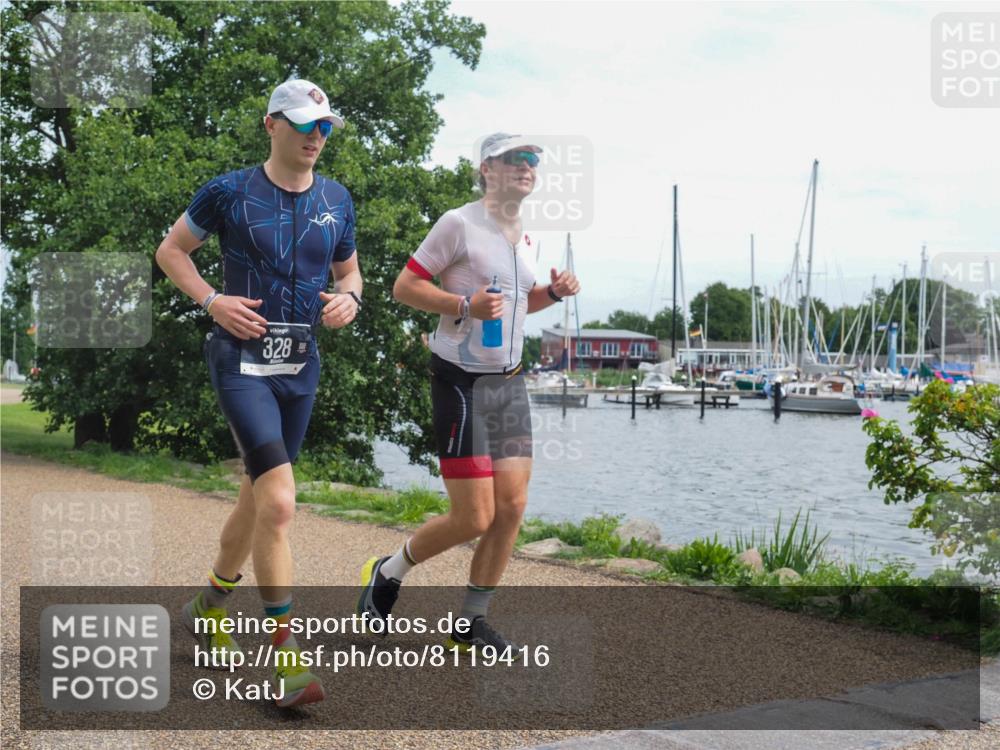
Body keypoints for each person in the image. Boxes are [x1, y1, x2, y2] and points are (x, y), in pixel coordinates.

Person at [155, 79, 362, 708]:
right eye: (304, 124)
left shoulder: (337, 199)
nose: (316, 136)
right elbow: (171, 251)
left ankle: (209, 605)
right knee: (278, 504)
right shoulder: (229, 191)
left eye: (324, 126)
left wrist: (350, 299)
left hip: (300, 366)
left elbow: (350, 272)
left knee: (255, 500)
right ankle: (287, 663)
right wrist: (212, 301)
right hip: (240, 361)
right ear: (272, 125)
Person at [358, 133, 580, 651]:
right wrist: (463, 306)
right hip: (460, 380)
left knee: (512, 506)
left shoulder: (527, 238)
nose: (527, 166)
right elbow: (404, 287)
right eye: (515, 158)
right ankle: (388, 571)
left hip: (509, 382)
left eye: (533, 159)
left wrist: (552, 293)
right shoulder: (458, 224)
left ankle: (470, 622)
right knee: (474, 517)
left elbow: (516, 305)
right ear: (487, 169)